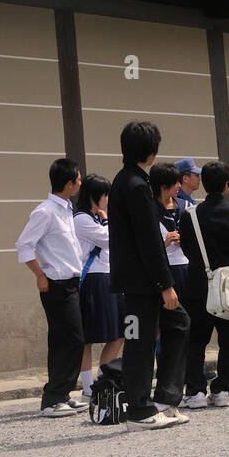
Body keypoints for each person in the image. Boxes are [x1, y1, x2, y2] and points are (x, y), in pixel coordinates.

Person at [109, 122, 190, 430]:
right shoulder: (138, 186)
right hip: (144, 283)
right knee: (140, 341)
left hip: (136, 281)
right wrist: (165, 285)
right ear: (152, 151)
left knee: (170, 326)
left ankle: (163, 400)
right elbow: (148, 241)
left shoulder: (123, 180)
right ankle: (140, 408)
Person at [177, 160, 229, 409]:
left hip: (199, 284)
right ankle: (222, 389)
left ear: (204, 184)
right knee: (228, 339)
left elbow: (187, 249)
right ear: (227, 186)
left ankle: (196, 390)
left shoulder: (190, 215)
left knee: (196, 340)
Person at [16, 158, 88, 418]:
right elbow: (24, 245)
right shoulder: (45, 211)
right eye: (78, 179)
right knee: (72, 339)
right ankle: (52, 398)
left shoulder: (67, 209)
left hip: (71, 283)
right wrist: (39, 275)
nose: (81, 183)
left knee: (63, 340)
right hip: (56, 284)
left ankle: (62, 395)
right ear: (69, 183)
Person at [73, 174, 122, 398]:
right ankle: (87, 388)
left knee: (118, 333)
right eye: (105, 194)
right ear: (95, 196)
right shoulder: (81, 219)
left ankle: (103, 380)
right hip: (93, 280)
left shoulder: (96, 218)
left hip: (108, 277)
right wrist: (108, 218)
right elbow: (110, 239)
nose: (108, 199)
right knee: (88, 338)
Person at [151, 162, 190, 298]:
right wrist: (163, 244)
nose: (179, 186)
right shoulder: (148, 210)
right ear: (163, 186)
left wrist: (185, 239)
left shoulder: (187, 207)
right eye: (175, 182)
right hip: (163, 270)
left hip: (186, 266)